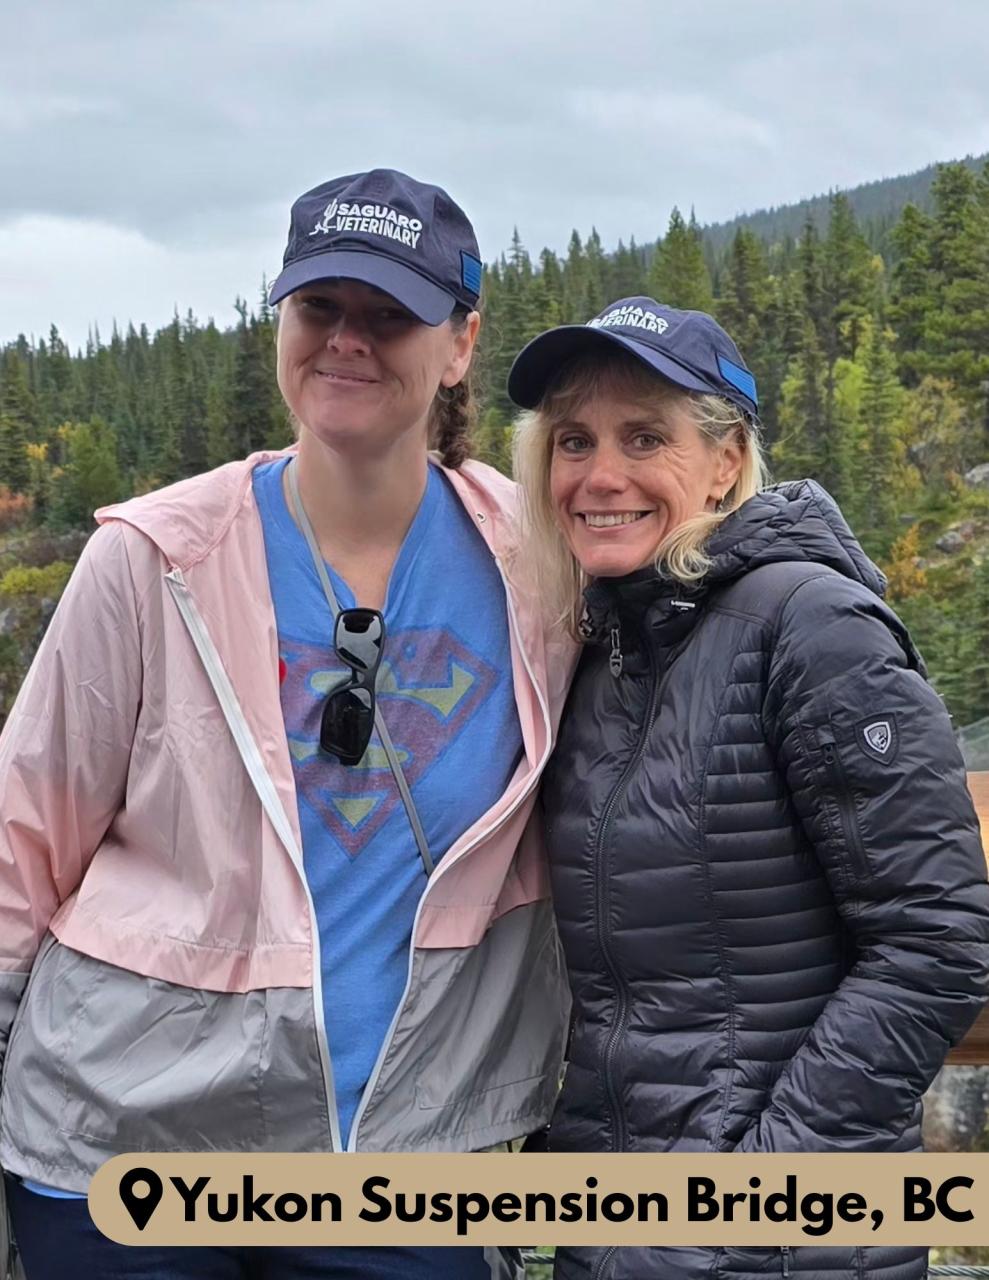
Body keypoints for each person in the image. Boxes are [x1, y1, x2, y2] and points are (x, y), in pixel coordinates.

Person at [0, 168, 573, 1280]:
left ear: (459, 343)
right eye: (318, 306)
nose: (346, 340)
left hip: (406, 1157)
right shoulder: (155, 560)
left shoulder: (539, 566)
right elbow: (25, 840)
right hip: (129, 1145)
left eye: (389, 314)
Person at [508, 295, 989, 1280]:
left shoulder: (809, 625)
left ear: (725, 459)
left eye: (645, 437)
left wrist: (756, 1197)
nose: (598, 475)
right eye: (572, 440)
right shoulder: (607, 650)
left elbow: (937, 942)